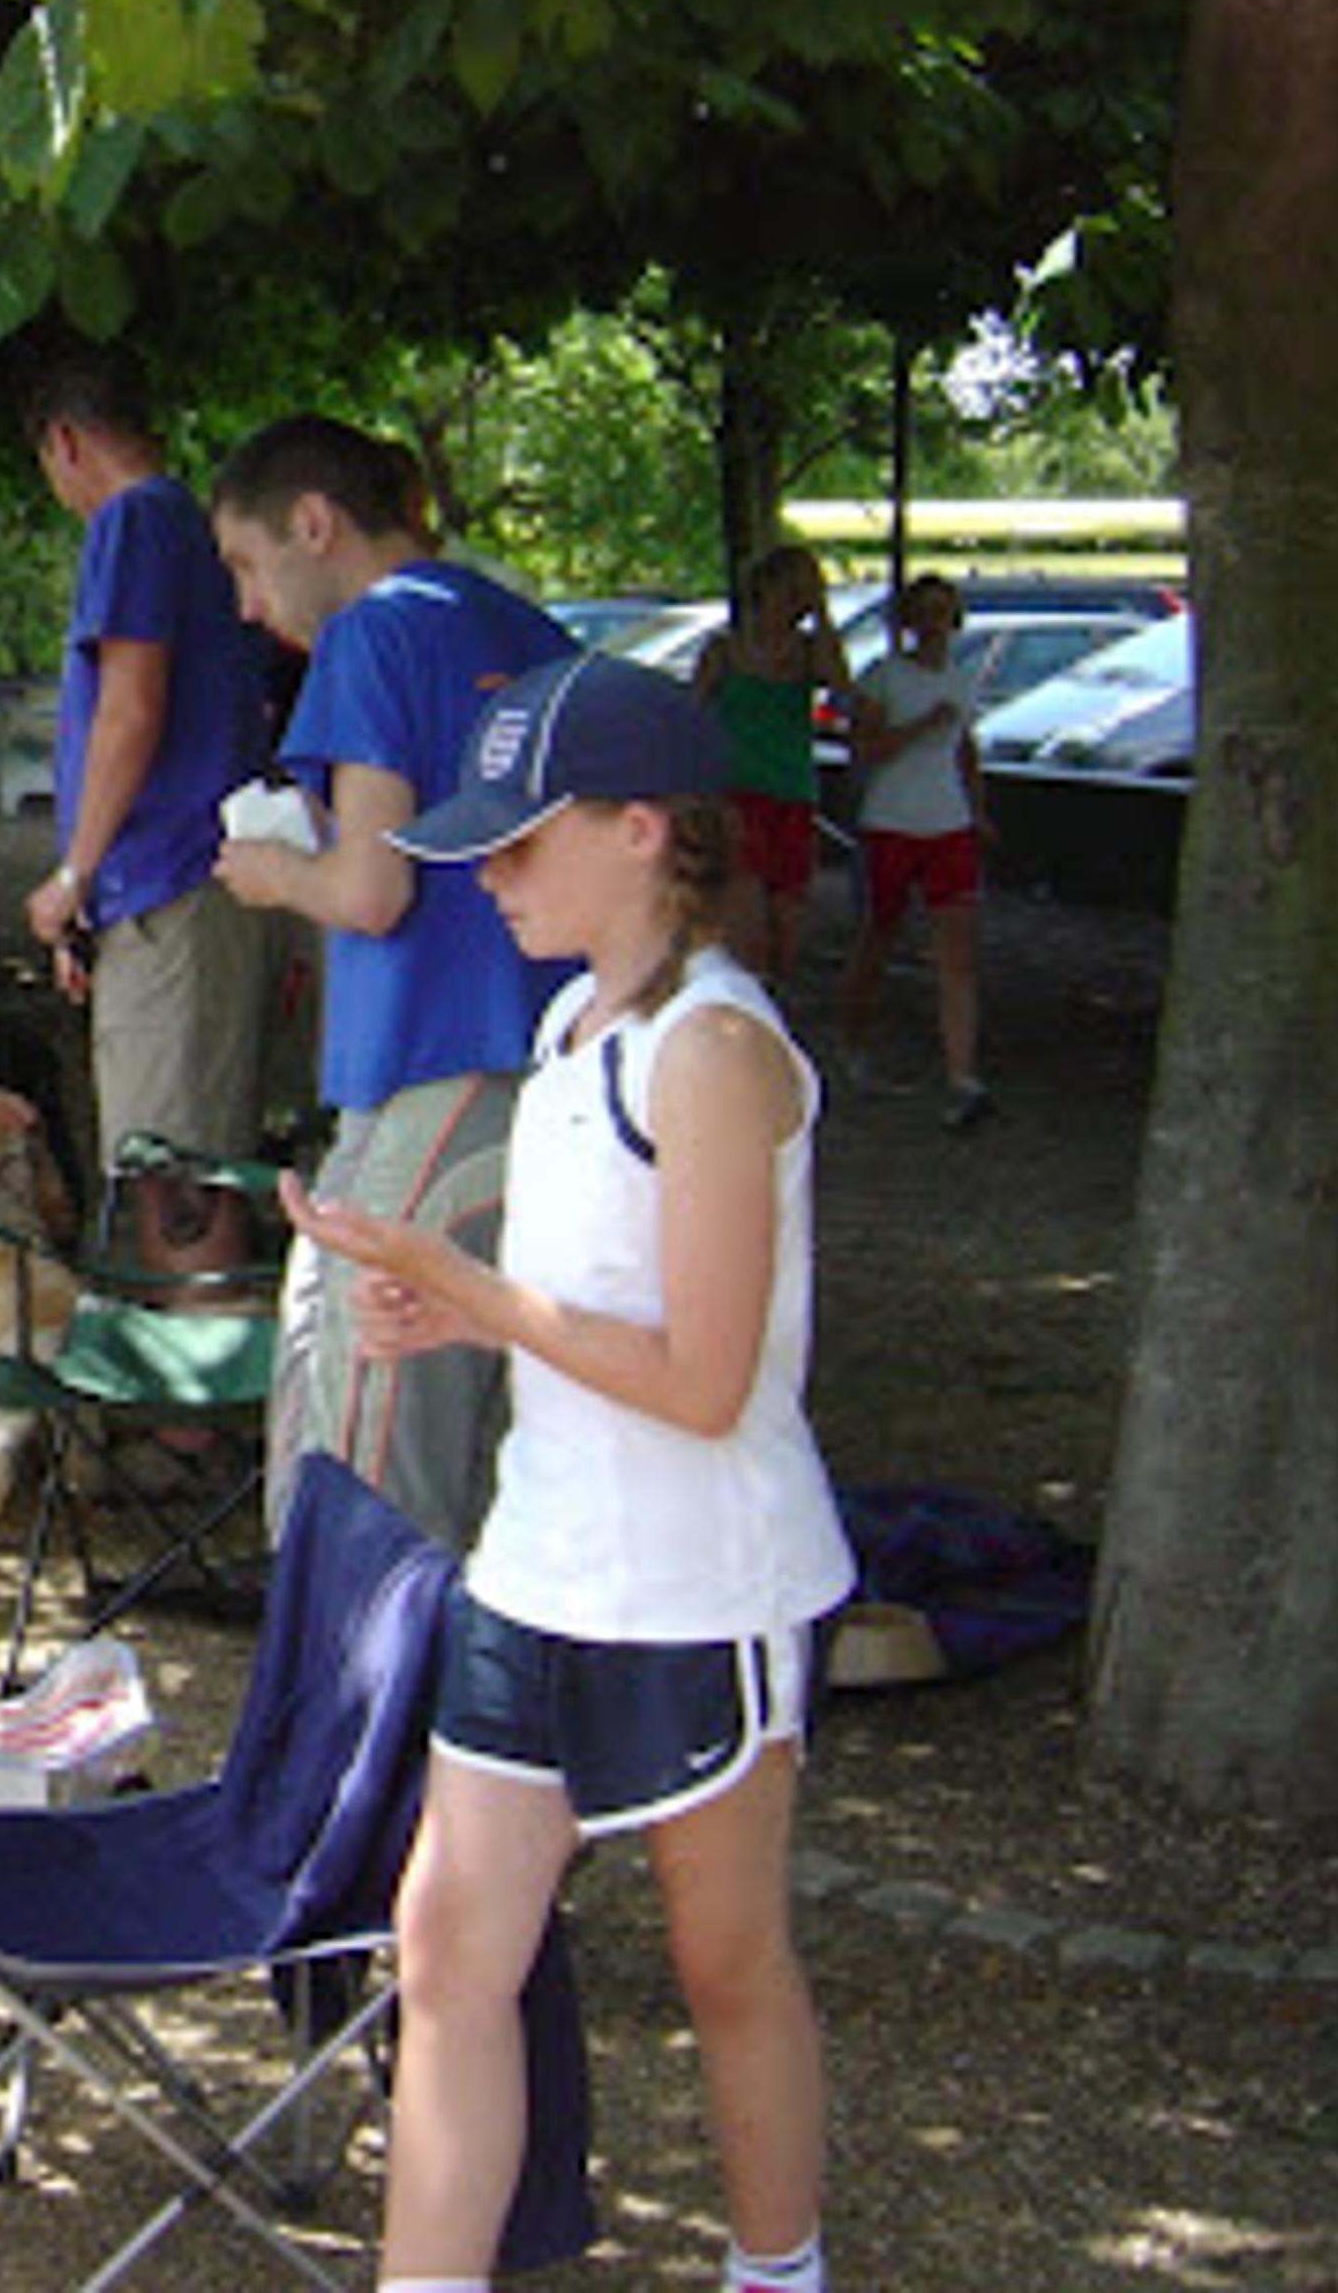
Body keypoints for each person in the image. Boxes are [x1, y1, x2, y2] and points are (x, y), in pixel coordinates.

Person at [279, 650, 851, 2293]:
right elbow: (590, 1315)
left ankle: (776, 2270)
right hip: (539, 1569)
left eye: (523, 844)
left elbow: (706, 1379)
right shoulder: (568, 1022)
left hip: (699, 1587)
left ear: (641, 832)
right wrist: (451, 1323)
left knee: (725, 1963)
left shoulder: (718, 1054)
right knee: (448, 1949)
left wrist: (469, 1295)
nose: (493, 877)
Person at [207, 416, 572, 1553]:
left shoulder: (372, 635)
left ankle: (370, 1703)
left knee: (374, 1426)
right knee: (444, 1408)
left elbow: (374, 890)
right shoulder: (522, 622)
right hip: (543, 1057)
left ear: (313, 525)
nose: (246, 608)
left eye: (247, 566)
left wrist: (273, 873)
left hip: (434, 1055)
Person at [20, 353, 272, 1171]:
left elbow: (131, 707)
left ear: (64, 442)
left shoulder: (132, 522)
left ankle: (173, 1307)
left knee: (163, 1175)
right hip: (203, 884)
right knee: (200, 1160)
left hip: (166, 885)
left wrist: (75, 875)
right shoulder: (194, 527)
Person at [834, 572, 992, 1126]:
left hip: (947, 824)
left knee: (958, 952)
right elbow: (864, 750)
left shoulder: (962, 679)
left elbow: (964, 749)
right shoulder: (885, 677)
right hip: (891, 823)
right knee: (878, 938)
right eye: (922, 612)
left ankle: (962, 1073)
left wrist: (977, 809)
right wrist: (920, 727)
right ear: (907, 621)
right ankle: (852, 1040)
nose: (934, 624)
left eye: (943, 612)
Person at [691, 543, 851, 986]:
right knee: (748, 924)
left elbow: (840, 683)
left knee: (789, 924)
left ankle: (775, 1006)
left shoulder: (806, 652)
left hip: (792, 791)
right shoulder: (723, 650)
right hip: (737, 793)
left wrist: (823, 615)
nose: (797, 600)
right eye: (792, 589)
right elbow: (692, 715)